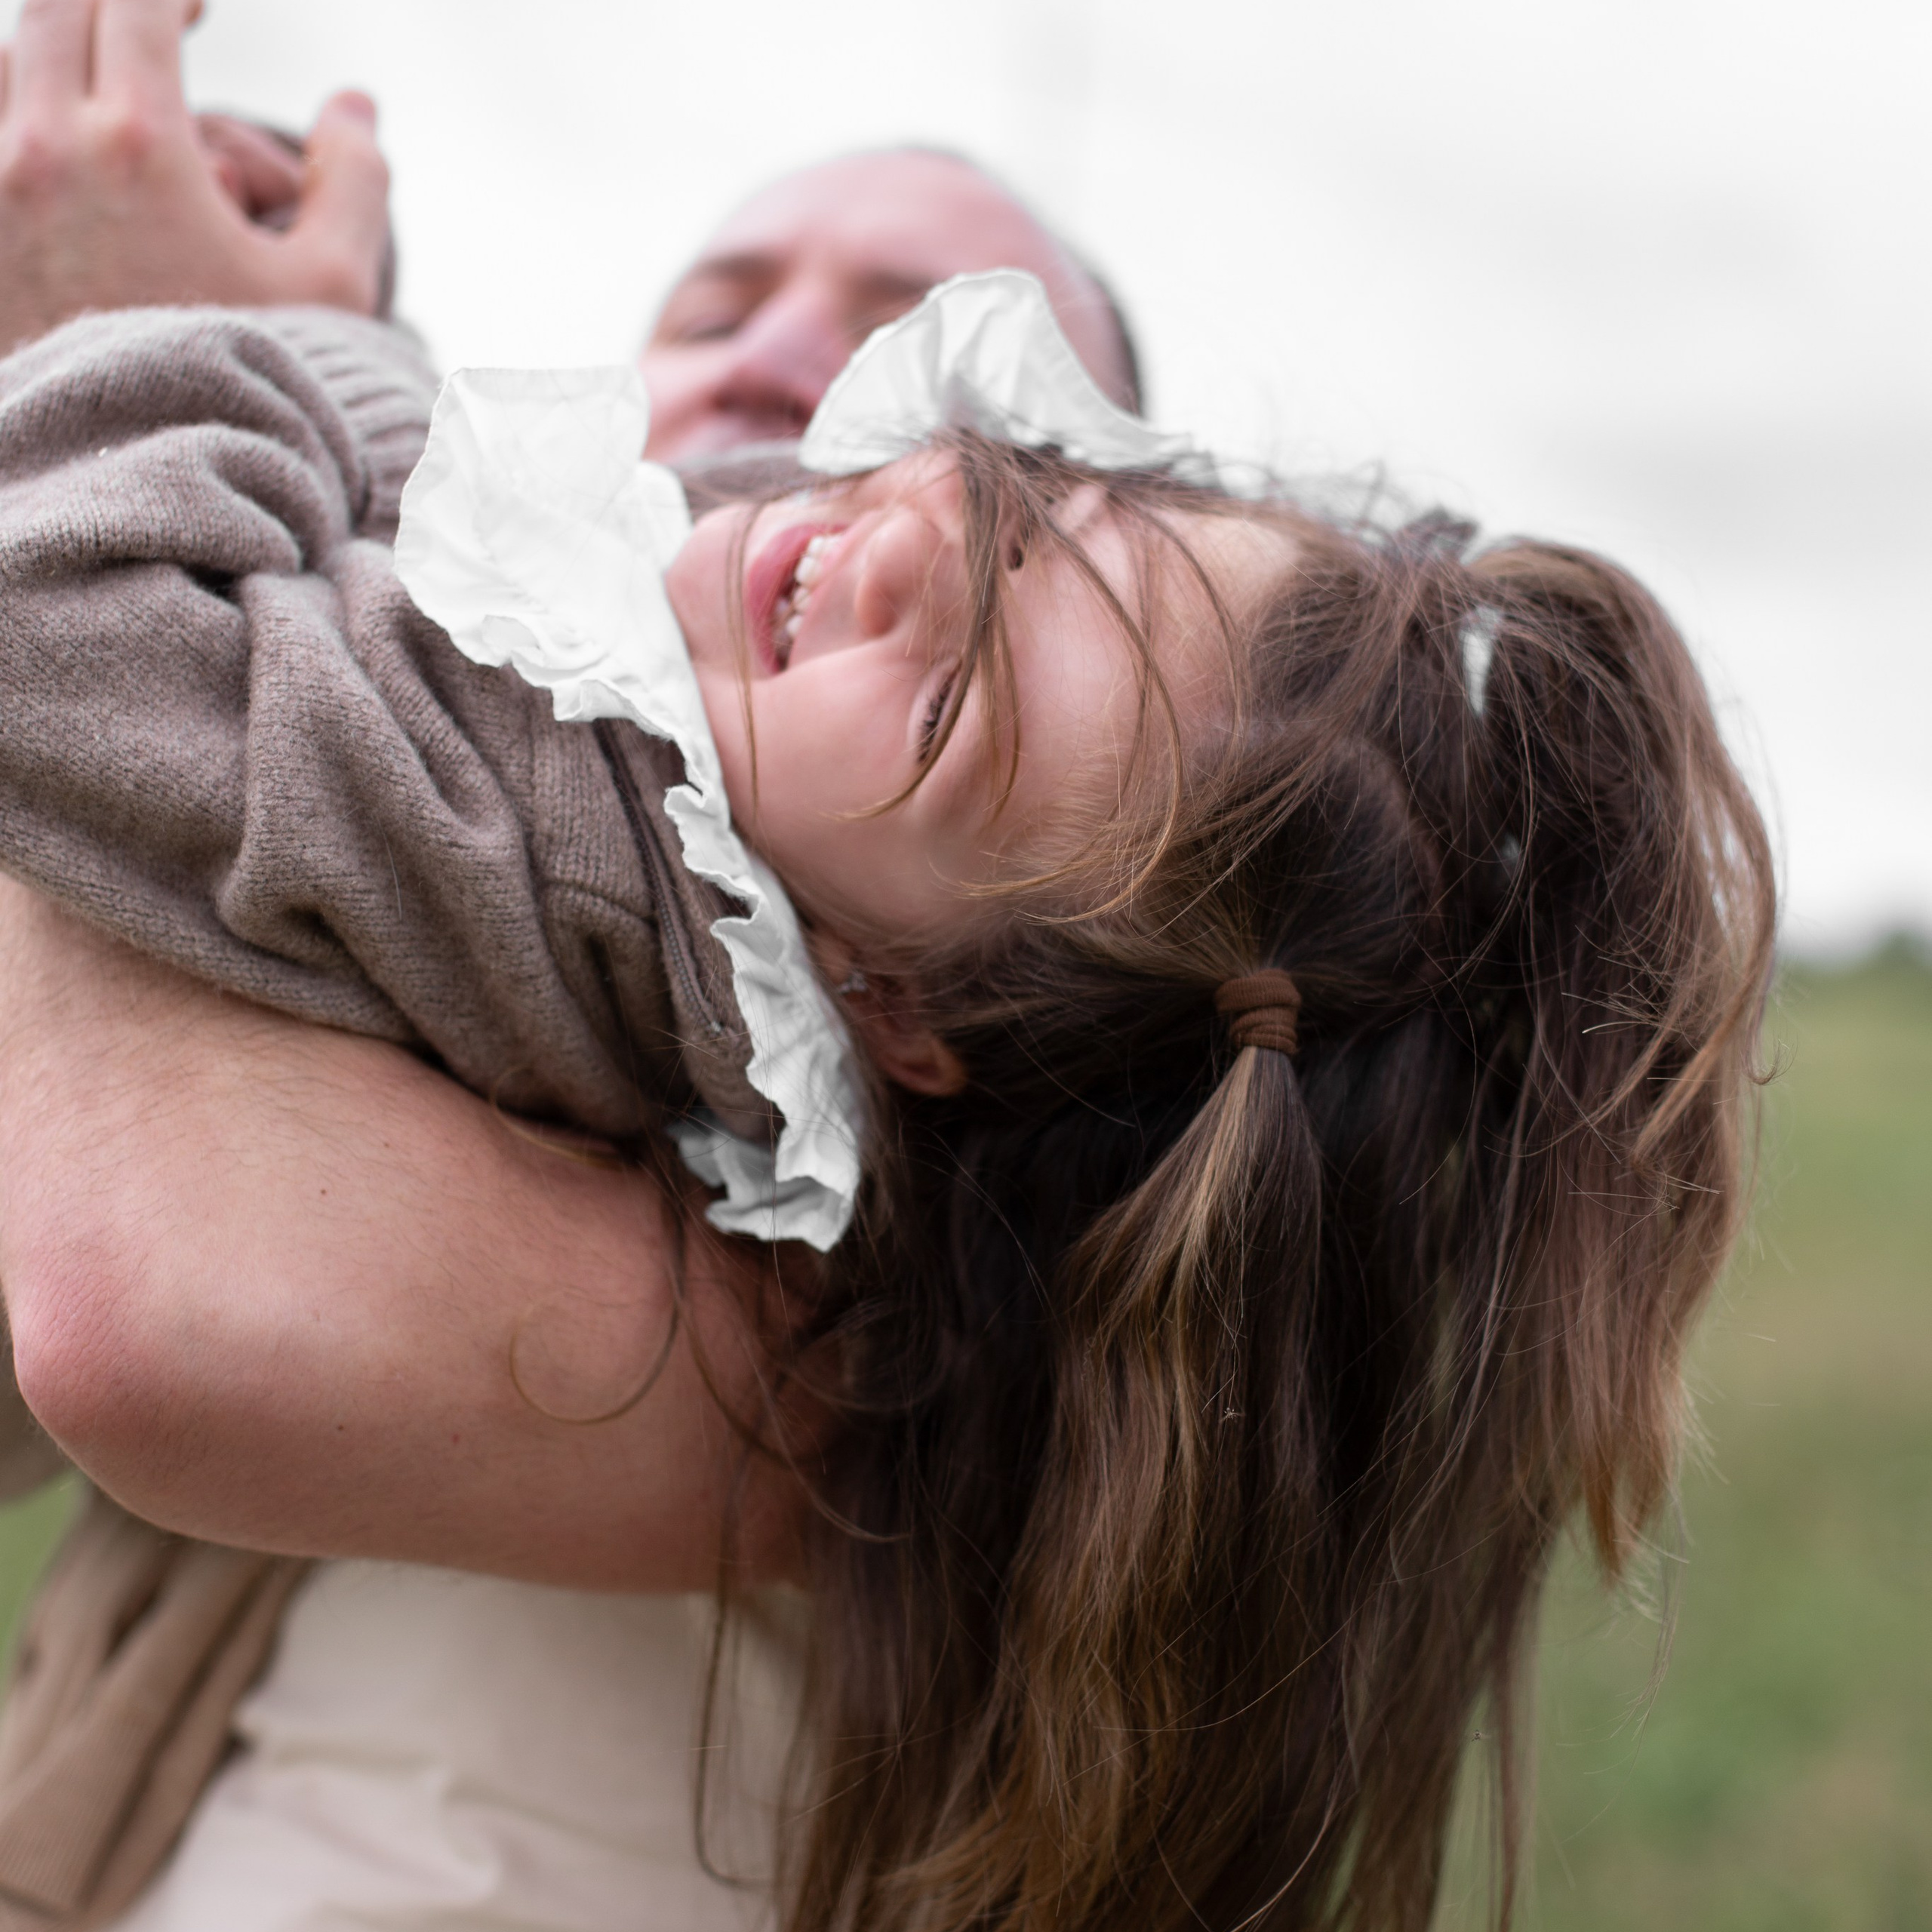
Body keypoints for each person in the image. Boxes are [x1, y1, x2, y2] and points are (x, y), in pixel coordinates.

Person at [0, 6, 1778, 1930]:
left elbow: (143, 1312)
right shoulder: (545, 768)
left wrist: (127, 333)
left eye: (899, 331)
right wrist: (297, 338)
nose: (783, 358)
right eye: (716, 304)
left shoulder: (914, 1228)